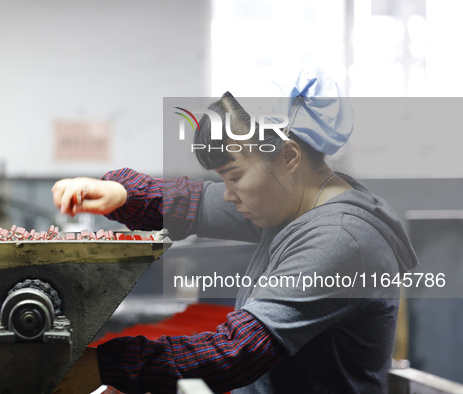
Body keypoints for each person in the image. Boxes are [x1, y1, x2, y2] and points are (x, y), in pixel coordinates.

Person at [51, 69, 418, 394]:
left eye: (235, 176)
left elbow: (236, 350)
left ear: (289, 157)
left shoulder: (341, 238)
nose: (228, 193)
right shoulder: (292, 203)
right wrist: (123, 194)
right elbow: (195, 202)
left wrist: (108, 366)